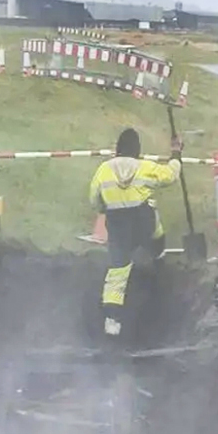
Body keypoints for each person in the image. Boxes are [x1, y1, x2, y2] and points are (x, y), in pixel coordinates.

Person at [89, 127, 181, 339]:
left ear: (117, 150)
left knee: (117, 272)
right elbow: (171, 175)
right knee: (155, 225)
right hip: (143, 222)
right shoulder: (144, 167)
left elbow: (94, 197)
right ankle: (158, 257)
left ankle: (112, 321)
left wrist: (104, 209)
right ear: (137, 150)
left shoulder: (104, 170)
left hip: (118, 225)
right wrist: (176, 153)